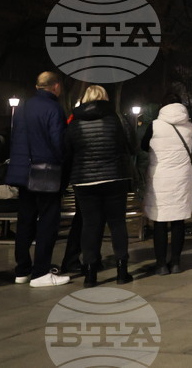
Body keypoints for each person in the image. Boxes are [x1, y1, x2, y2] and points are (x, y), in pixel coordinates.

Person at [65, 85, 135, 286]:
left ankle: (90, 273)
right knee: (117, 224)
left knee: (90, 225)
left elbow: (67, 151)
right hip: (115, 178)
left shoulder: (75, 122)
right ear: (105, 99)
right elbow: (133, 145)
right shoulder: (117, 119)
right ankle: (122, 271)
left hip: (85, 180)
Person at [6, 71, 70, 287]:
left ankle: (22, 269)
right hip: (45, 172)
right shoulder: (53, 108)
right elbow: (58, 143)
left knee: (25, 221)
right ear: (55, 86)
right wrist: (64, 163)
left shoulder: (22, 108)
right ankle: (41, 271)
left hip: (23, 172)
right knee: (48, 222)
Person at [141, 93, 192, 272]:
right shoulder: (189, 126)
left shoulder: (155, 125)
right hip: (182, 176)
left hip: (161, 176)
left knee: (160, 221)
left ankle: (161, 264)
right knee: (179, 220)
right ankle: (176, 262)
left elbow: (142, 145)